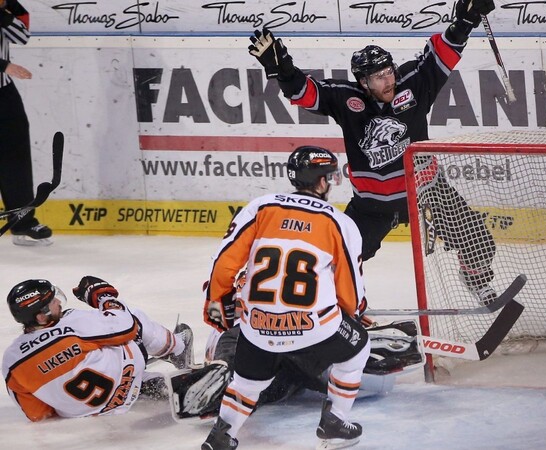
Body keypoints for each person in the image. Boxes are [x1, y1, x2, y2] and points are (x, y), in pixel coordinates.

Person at [247, 0, 500, 306]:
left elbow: (442, 54)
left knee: (478, 241)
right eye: (379, 77)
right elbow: (306, 92)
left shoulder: (413, 85)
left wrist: (467, 20)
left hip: (427, 190)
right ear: (363, 82)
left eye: (389, 72)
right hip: (372, 205)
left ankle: (475, 278)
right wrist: (283, 71)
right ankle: (329, 305)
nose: (388, 80)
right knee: (338, 257)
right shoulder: (346, 100)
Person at [202, 146, 371, 450]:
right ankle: (334, 421)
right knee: (358, 347)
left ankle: (221, 436)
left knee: (247, 383)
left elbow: (225, 262)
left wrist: (217, 297)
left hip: (256, 328)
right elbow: (350, 289)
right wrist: (353, 315)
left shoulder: (261, 207)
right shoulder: (338, 222)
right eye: (329, 177)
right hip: (314, 329)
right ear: (321, 181)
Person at [2, 276, 195, 421]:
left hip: (87, 413)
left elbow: (37, 413)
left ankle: (145, 383)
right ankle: (177, 348)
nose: (59, 302)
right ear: (41, 317)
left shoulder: (11, 361)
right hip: (125, 378)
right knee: (130, 317)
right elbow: (125, 327)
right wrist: (103, 296)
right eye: (53, 302)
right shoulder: (71, 323)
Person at [0, 0, 52, 246]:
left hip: (3, 91)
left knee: (16, 154)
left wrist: (4, 12)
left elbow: (22, 35)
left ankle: (21, 221)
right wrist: (4, 65)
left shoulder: (8, 5)